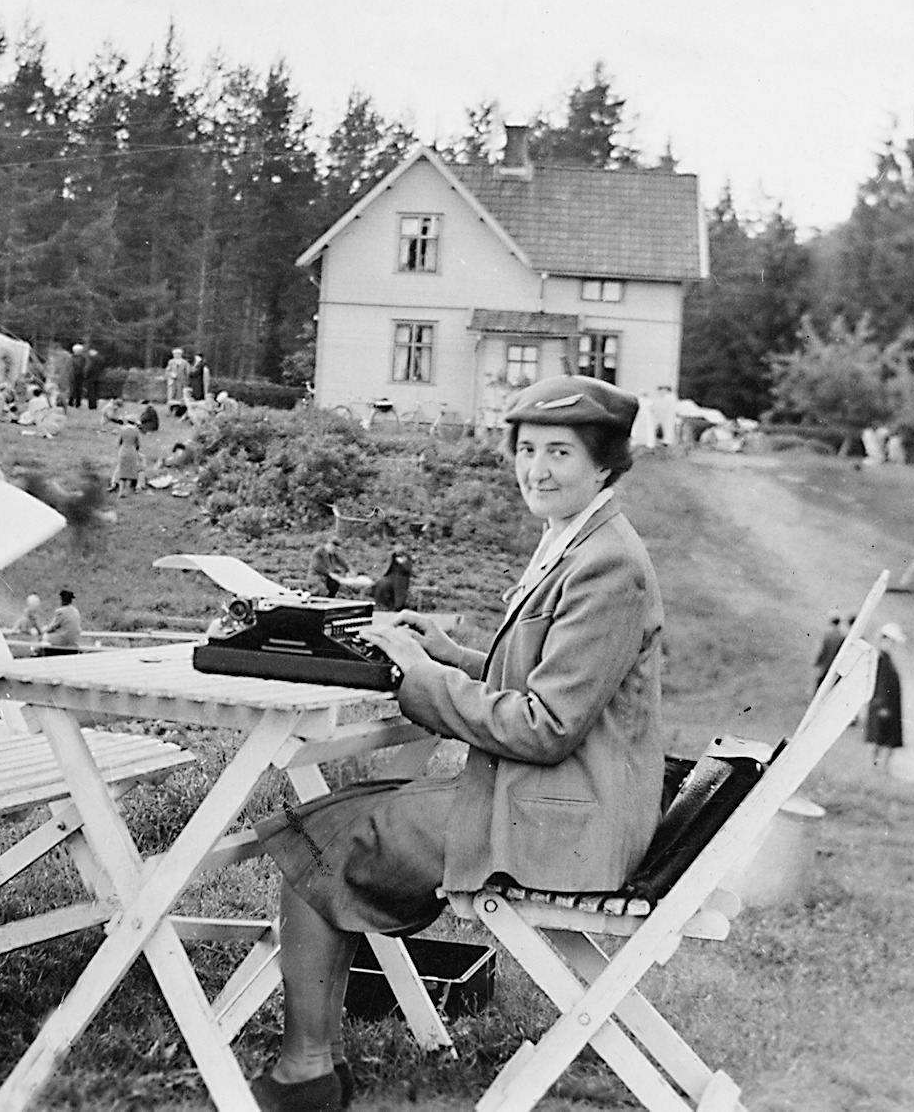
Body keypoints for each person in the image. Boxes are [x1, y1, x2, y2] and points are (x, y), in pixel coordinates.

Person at [249, 374, 667, 1112]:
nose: (537, 469)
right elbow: (549, 683)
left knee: (321, 845)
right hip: (560, 801)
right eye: (527, 450)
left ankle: (305, 1072)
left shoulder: (608, 564)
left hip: (565, 823)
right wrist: (448, 655)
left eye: (560, 453)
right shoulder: (579, 540)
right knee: (331, 822)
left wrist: (420, 677)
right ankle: (315, 1065)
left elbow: (545, 725)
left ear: (605, 462)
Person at [865, 623, 906, 768]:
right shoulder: (880, 659)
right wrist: (882, 705)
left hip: (888, 704)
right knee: (879, 737)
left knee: (886, 737)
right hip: (882, 705)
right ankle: (875, 765)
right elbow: (881, 684)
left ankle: (882, 766)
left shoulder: (886, 658)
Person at [308, 533, 352, 598]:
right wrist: (330, 573)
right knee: (322, 590)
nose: (335, 551)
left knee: (336, 585)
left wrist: (347, 571)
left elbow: (342, 562)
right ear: (330, 545)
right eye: (334, 549)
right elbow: (317, 566)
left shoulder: (333, 555)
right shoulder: (318, 552)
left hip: (327, 578)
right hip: (316, 576)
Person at [371, 546, 413, 613]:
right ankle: (381, 605)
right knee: (381, 583)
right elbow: (387, 568)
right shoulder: (392, 557)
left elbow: (408, 569)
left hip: (401, 579)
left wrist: (402, 562)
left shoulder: (406, 558)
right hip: (391, 577)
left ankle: (396, 607)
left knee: (397, 587)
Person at [812, 612, 847, 690]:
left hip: (825, 666)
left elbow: (822, 651)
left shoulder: (827, 635)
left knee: (819, 687)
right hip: (835, 667)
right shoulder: (842, 636)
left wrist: (817, 662)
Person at [42, 589, 82, 654]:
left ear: (62, 600)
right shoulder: (76, 611)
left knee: (45, 636)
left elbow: (52, 627)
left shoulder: (61, 611)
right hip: (74, 642)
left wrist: (43, 630)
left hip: (64, 642)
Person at [112, 419, 145, 492]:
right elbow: (138, 444)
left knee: (121, 471)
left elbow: (119, 442)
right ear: (135, 424)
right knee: (129, 473)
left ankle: (120, 490)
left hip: (123, 451)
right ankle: (126, 491)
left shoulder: (122, 430)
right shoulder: (136, 432)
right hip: (132, 452)